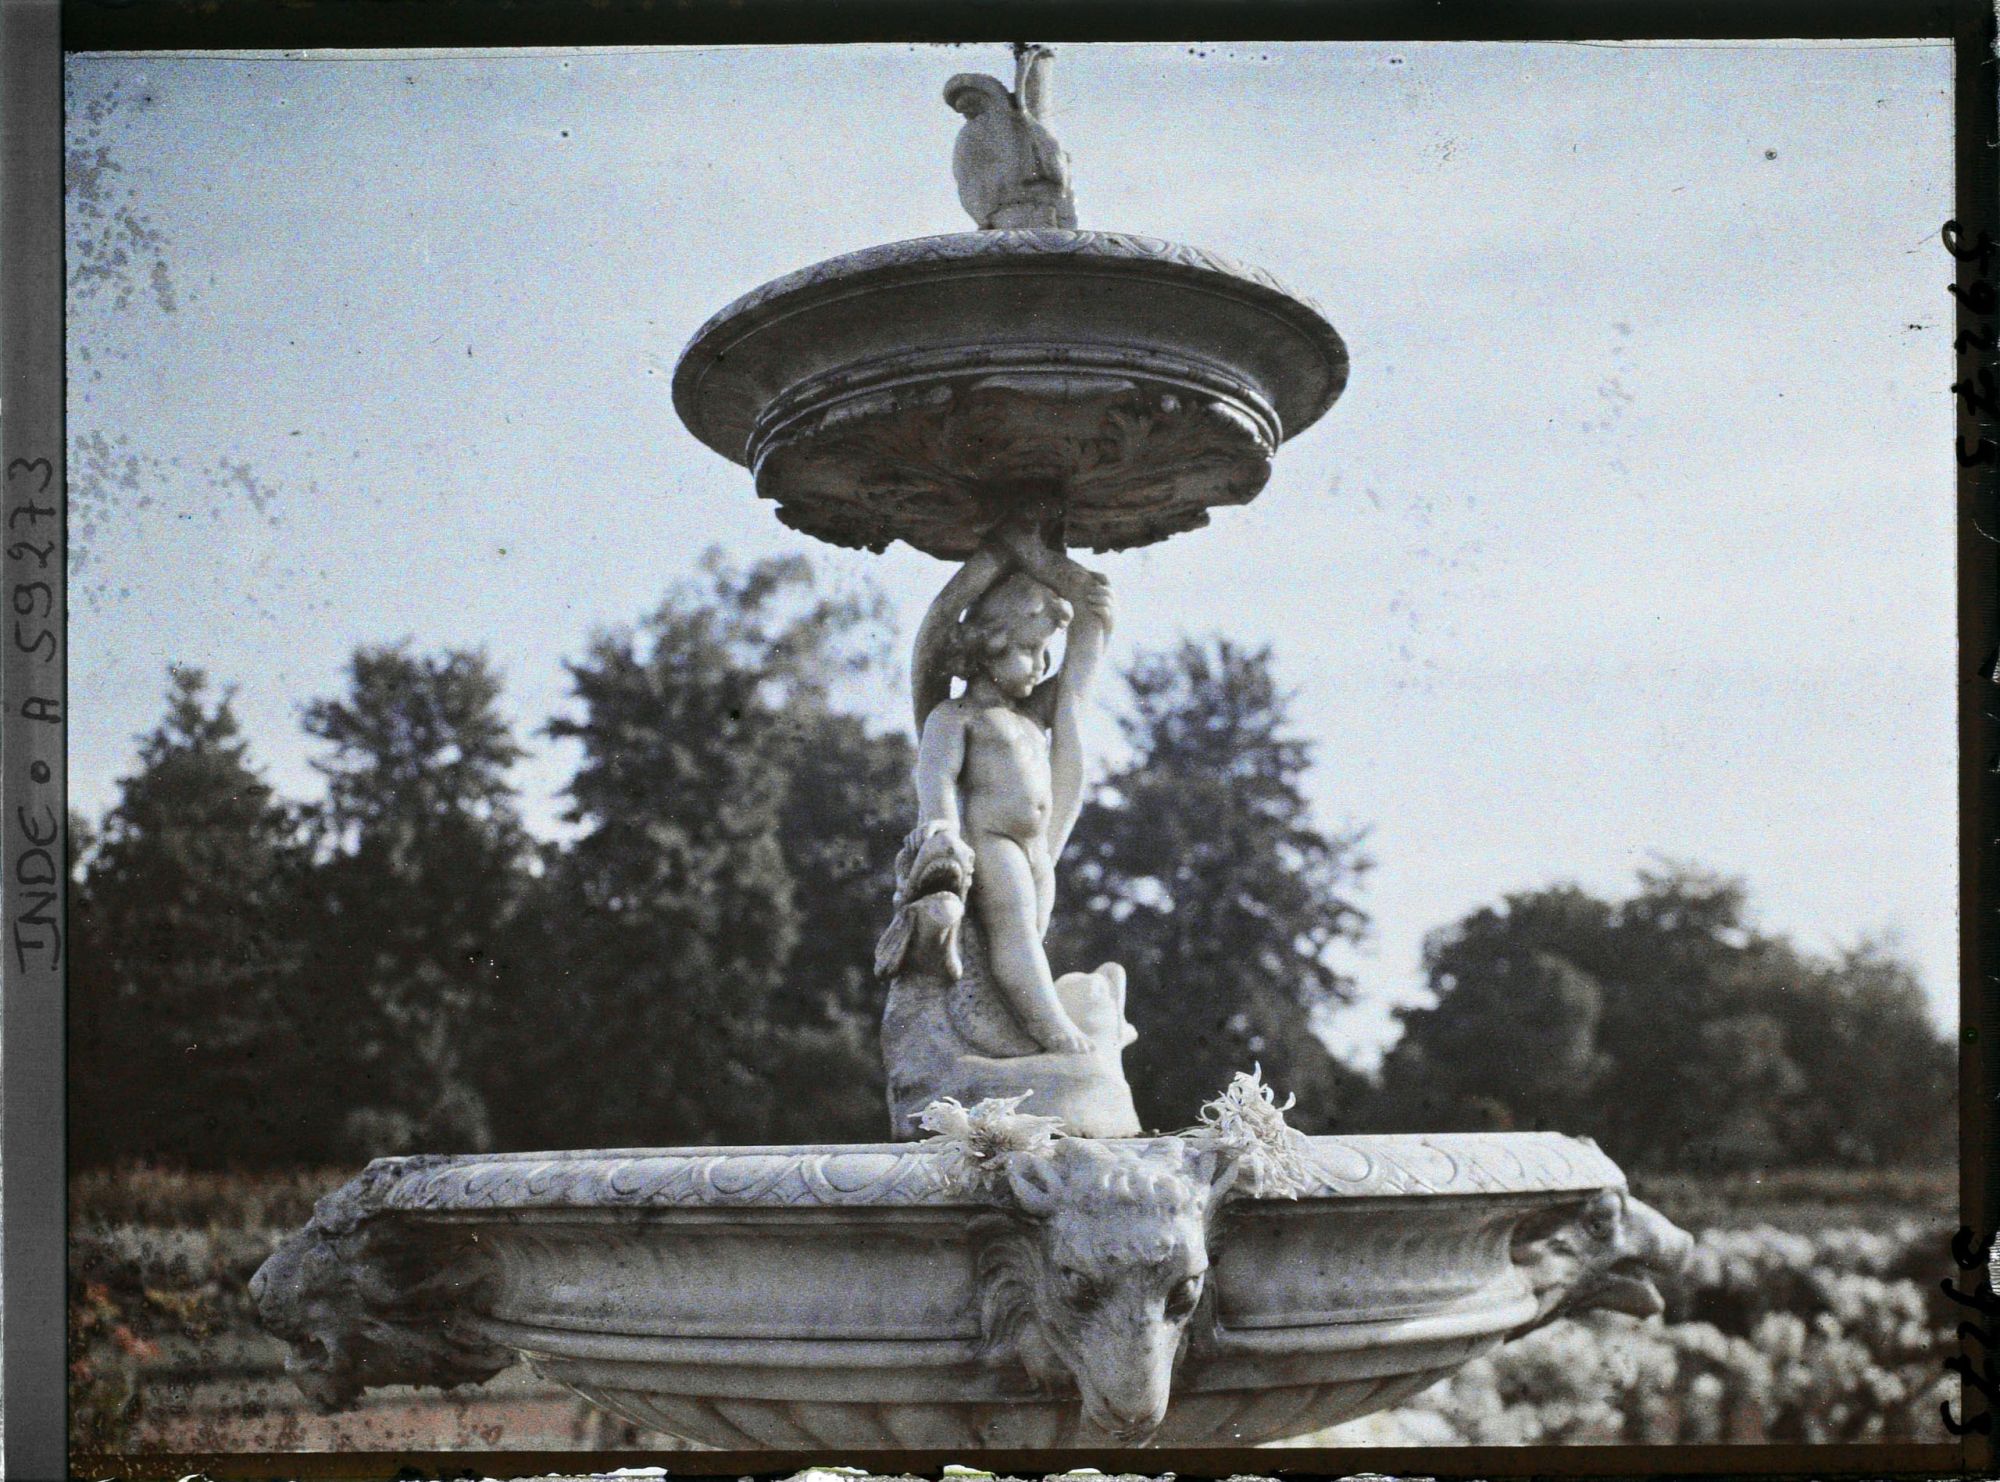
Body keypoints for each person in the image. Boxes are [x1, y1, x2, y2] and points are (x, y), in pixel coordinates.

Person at [910, 517, 1113, 1055]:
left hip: (1035, 848)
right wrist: (943, 828)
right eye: (1028, 650)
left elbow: (1091, 637)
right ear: (988, 644)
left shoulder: (1031, 714)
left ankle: (1024, 1029)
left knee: (1032, 933)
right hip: (992, 841)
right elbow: (936, 776)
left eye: (1045, 652)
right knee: (1016, 934)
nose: (1041, 665)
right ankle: (1052, 1030)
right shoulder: (956, 717)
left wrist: (1049, 567)